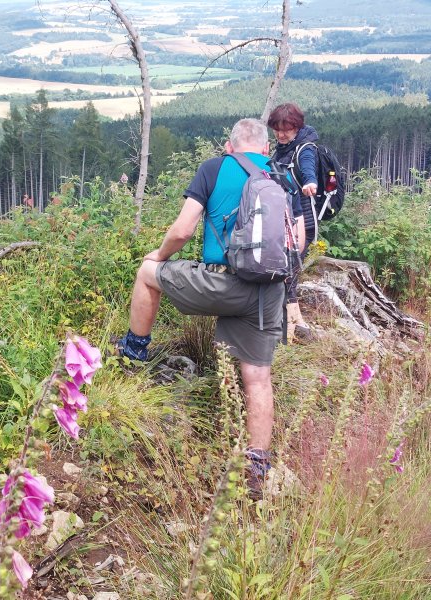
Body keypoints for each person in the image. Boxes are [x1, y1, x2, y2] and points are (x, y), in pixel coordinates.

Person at [115, 118, 304, 498]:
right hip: (267, 294)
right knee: (258, 379)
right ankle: (256, 466)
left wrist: (160, 254)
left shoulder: (215, 168)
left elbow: (184, 230)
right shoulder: (284, 176)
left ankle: (132, 355)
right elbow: (296, 243)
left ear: (229, 145)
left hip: (220, 282)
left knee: (147, 273)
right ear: (266, 148)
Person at [267, 103, 318, 340]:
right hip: (284, 219)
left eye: (286, 129)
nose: (281, 134)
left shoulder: (304, 149)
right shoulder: (281, 149)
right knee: (285, 273)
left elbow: (308, 170)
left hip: (301, 222)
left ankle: (293, 329)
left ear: (297, 126)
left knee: (289, 273)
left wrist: (310, 183)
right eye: (277, 129)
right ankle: (292, 326)